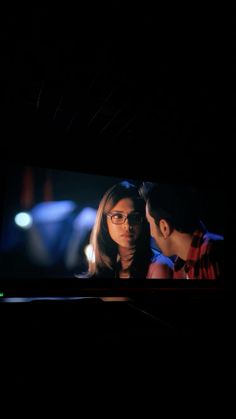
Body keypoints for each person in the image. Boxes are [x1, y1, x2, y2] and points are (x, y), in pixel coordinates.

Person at [81, 181, 173, 278]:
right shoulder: (106, 265)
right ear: (104, 221)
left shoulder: (159, 266)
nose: (127, 225)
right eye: (118, 216)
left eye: (135, 216)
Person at [140, 182, 224, 280]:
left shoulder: (211, 254)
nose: (151, 233)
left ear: (164, 227)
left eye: (150, 223)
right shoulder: (181, 266)